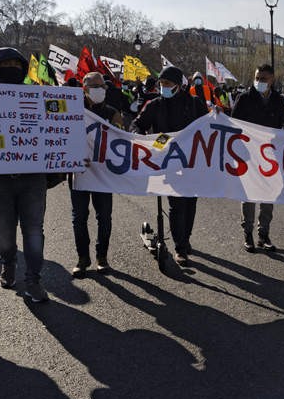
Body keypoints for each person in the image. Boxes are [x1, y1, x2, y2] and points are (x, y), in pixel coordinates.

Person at [0, 48, 49, 301]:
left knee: (34, 230)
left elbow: (57, 130)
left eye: (16, 63)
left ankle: (34, 280)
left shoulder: (38, 96)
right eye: (6, 64)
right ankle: (8, 263)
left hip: (32, 178)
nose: (12, 68)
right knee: (4, 231)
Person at [130, 66, 208, 265]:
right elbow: (138, 125)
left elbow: (208, 127)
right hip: (167, 160)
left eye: (168, 84)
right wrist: (142, 138)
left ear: (178, 85)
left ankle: (185, 239)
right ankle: (180, 247)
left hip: (192, 161)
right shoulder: (154, 105)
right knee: (176, 205)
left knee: (190, 203)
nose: (164, 87)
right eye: (161, 84)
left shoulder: (195, 103)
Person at [70, 72, 124, 277]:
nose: (99, 90)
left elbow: (122, 140)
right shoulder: (73, 111)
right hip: (79, 172)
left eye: (102, 86)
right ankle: (82, 258)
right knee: (79, 217)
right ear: (84, 89)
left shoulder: (112, 113)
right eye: (94, 86)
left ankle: (102, 257)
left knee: (105, 217)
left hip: (103, 174)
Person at [230, 64, 284, 252]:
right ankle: (248, 234)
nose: (259, 81)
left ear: (272, 79)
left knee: (269, 196)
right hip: (249, 154)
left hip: (270, 155)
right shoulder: (244, 98)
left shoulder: (278, 100)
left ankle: (264, 234)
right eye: (257, 78)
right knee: (249, 196)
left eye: (264, 78)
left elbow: (282, 125)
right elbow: (234, 124)